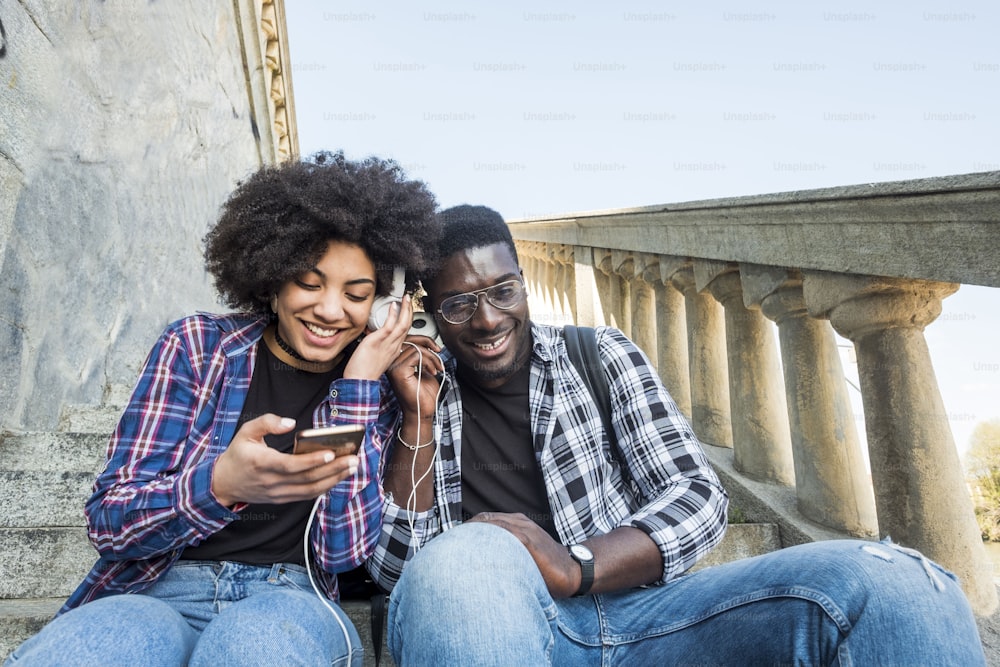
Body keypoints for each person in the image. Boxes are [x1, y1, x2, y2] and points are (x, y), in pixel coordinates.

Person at [370, 204, 986, 666]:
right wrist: (419, 420)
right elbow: (397, 573)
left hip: (649, 616)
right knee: (467, 555)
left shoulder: (598, 355)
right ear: (428, 308)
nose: (486, 319)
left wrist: (577, 565)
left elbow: (696, 494)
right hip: (492, 631)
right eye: (458, 304)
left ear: (525, 285)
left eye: (503, 291)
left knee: (898, 583)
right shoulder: (414, 395)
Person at [5, 152, 439, 667]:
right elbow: (109, 522)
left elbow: (340, 552)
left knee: (253, 650)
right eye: (309, 281)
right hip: (158, 588)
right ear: (272, 278)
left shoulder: (375, 384)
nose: (329, 310)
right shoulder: (196, 346)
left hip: (291, 597)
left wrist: (357, 388)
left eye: (356, 293)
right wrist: (219, 487)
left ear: (377, 303)